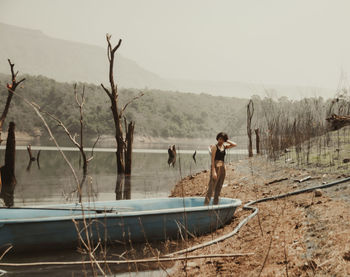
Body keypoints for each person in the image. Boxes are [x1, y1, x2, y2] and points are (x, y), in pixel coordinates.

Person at [204, 132, 237, 205]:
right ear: (217, 139)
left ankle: (215, 204)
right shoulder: (214, 147)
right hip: (216, 166)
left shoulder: (224, 147)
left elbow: (234, 144)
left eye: (222, 139)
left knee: (219, 187)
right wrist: (213, 171)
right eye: (219, 139)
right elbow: (212, 160)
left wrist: (226, 140)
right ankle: (206, 205)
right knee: (211, 187)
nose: (220, 141)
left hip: (222, 167)